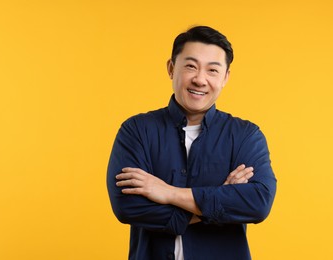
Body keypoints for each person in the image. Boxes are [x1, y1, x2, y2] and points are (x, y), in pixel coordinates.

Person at [107, 25, 277, 260]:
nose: (200, 79)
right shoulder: (137, 131)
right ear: (171, 68)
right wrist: (218, 202)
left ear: (225, 77)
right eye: (190, 66)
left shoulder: (245, 136)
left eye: (213, 70)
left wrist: (168, 193)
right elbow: (127, 206)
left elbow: (258, 203)